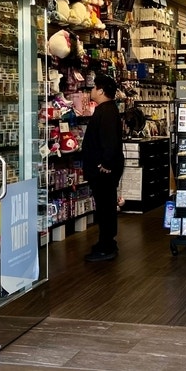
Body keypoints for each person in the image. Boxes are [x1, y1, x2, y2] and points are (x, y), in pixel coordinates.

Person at [81, 73, 125, 262]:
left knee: (106, 208)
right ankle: (106, 242)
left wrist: (106, 164)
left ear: (100, 91)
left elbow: (110, 142)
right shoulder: (108, 109)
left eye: (94, 87)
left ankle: (106, 246)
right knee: (105, 206)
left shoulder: (106, 111)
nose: (91, 90)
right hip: (102, 169)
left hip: (103, 171)